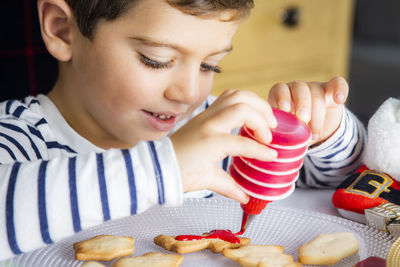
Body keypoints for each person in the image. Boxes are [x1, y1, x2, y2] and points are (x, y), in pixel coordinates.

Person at [0, 0, 365, 260]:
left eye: (210, 66)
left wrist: (324, 132)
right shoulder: (17, 138)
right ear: (63, 30)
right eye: (156, 60)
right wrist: (164, 168)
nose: (189, 93)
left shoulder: (215, 130)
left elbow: (335, 178)